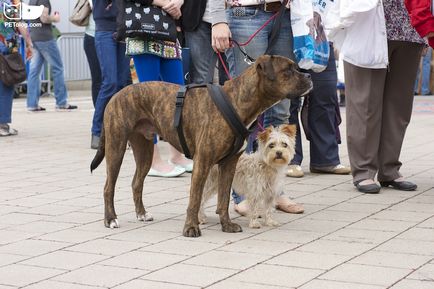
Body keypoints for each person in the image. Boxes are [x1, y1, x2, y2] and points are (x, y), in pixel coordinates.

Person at [329, 0, 423, 193]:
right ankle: (364, 171)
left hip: (410, 30)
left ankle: (389, 169)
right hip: (369, 29)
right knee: (365, 104)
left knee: (399, 107)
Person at [225, 0, 304, 214]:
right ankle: (242, 193)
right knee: (243, 110)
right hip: (245, 14)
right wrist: (217, 21)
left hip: (284, 14)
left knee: (281, 108)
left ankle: (274, 192)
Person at [125, 0, 192, 177]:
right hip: (142, 32)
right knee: (148, 100)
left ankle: (177, 154)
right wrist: (165, 3)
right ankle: (152, 160)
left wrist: (178, 3)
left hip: (168, 32)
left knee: (178, 96)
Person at [286, 42, 351, 178]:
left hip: (319, 33)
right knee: (287, 99)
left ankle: (325, 159)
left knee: (325, 94)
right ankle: (289, 159)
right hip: (287, 28)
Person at [90, 0, 130, 149]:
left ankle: (118, 130)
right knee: (110, 82)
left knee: (122, 84)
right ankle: (97, 131)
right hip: (105, 30)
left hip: (124, 29)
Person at [27, 0, 77, 112]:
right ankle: (61, 103)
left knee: (34, 71)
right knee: (58, 68)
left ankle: (32, 104)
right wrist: (55, 18)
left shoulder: (32, 0)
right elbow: (44, 18)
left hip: (34, 36)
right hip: (45, 38)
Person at [0, 0, 33, 136]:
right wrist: (29, 43)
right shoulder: (9, 3)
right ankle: (3, 125)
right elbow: (19, 24)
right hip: (6, 48)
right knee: (6, 85)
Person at [83, 8, 101, 107]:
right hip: (92, 36)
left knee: (123, 79)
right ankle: (99, 116)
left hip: (115, 36)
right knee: (98, 78)